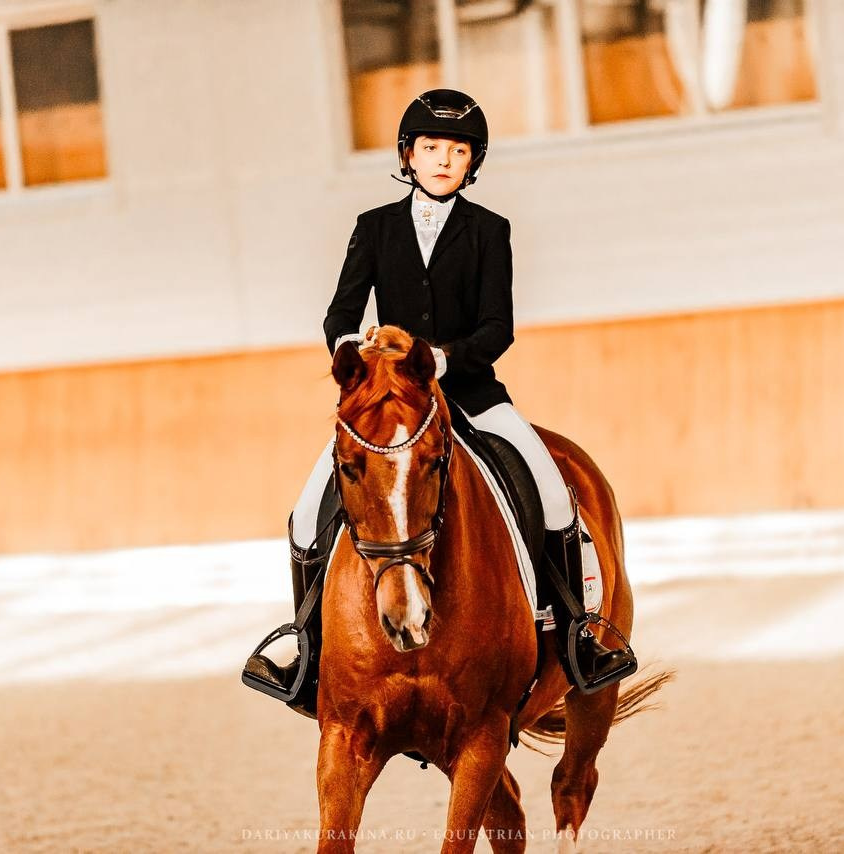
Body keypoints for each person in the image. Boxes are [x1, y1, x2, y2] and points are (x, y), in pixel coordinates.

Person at [242, 89, 636, 716]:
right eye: (432, 148)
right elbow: (342, 312)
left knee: (556, 494)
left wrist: (444, 361)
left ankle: (581, 635)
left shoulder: (489, 231)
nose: (445, 160)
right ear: (409, 155)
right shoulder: (374, 229)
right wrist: (357, 354)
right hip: (391, 401)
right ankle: (306, 648)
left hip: (471, 394)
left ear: (472, 161)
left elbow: (496, 327)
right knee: (305, 509)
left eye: (458, 150)